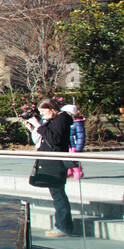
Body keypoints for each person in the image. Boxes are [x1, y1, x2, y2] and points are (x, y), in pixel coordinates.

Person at [25, 98, 73, 237]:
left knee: (59, 195)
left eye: (43, 111)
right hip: (50, 163)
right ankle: (62, 226)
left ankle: (63, 227)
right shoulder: (53, 121)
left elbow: (55, 140)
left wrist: (39, 126)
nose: (42, 115)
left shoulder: (61, 120)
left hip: (56, 163)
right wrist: (35, 129)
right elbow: (43, 140)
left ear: (52, 109)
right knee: (57, 195)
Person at [65, 104, 86, 179]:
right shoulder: (68, 122)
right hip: (69, 144)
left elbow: (80, 136)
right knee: (68, 158)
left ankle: (78, 172)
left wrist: (78, 147)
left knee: (73, 160)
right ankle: (69, 171)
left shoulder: (77, 123)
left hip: (74, 145)